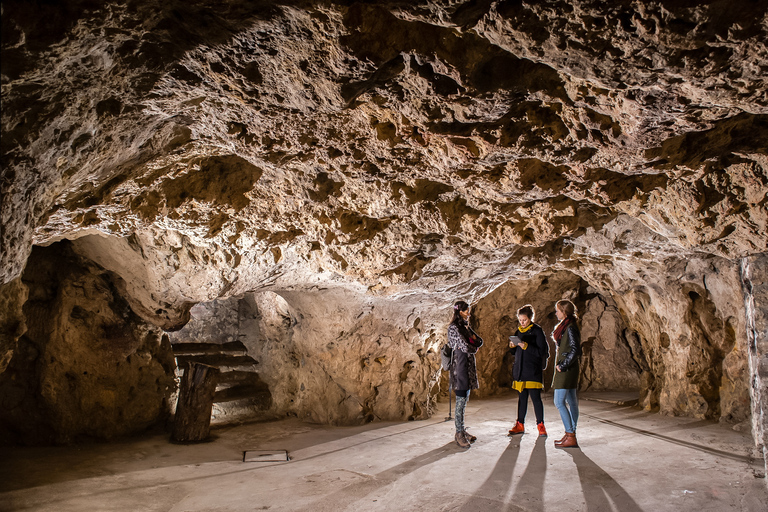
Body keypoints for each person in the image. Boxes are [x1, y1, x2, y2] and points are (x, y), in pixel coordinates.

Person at [507, 304, 550, 436]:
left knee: (536, 398)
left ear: (531, 318)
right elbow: (514, 352)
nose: (522, 322)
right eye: (520, 320)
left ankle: (541, 425)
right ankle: (520, 424)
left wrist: (526, 346)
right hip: (520, 370)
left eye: (524, 320)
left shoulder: (537, 331)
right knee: (522, 398)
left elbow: (542, 352)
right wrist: (512, 346)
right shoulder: (518, 331)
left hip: (532, 370)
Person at [447, 300, 483, 448]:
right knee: (460, 399)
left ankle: (462, 429)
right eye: (467, 310)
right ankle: (459, 433)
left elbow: (479, 341)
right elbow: (465, 345)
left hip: (467, 366)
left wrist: (472, 341)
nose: (469, 313)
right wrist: (473, 346)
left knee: (465, 398)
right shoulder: (453, 328)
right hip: (460, 366)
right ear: (460, 311)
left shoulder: (464, 326)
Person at [551, 299, 581, 448]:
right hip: (569, 368)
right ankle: (570, 433)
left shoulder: (569, 327)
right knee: (572, 401)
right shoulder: (567, 326)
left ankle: (570, 434)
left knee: (558, 402)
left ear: (564, 311)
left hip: (566, 369)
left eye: (558, 310)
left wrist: (562, 365)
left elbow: (576, 350)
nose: (556, 312)